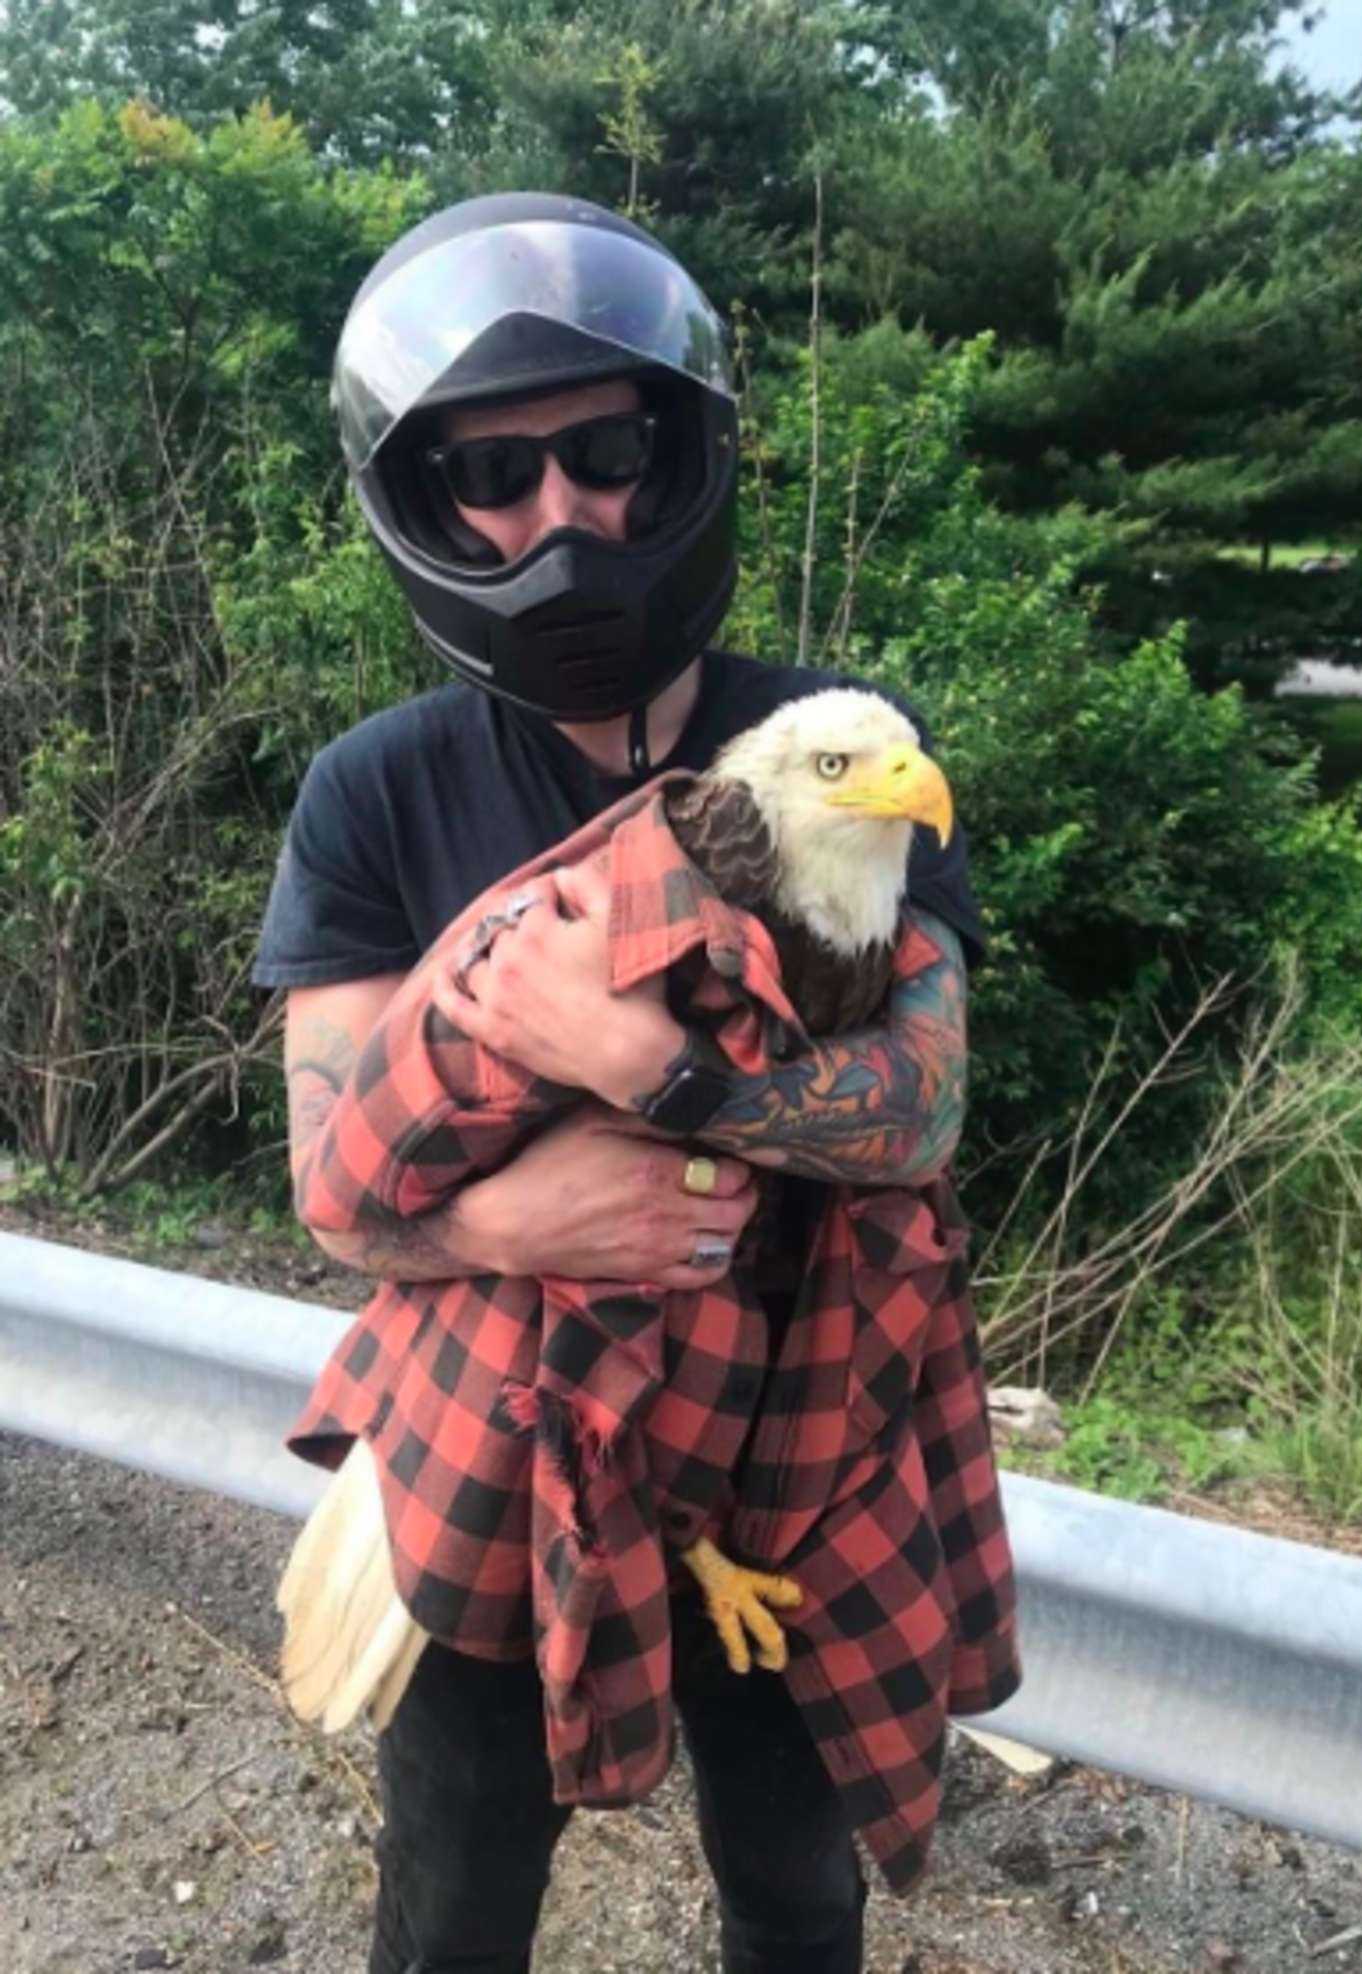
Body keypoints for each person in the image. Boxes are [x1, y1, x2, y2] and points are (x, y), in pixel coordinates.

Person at [254, 192, 1017, 1974]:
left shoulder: (836, 739)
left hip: (794, 1457)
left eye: (602, 447)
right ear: (427, 507)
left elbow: (925, 1105)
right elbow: (324, 1171)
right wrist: (520, 1216)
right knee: (451, 1899)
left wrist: (652, 1076)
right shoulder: (376, 792)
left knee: (796, 1897)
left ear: (674, 451)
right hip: (514, 1461)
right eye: (492, 476)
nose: (560, 513)